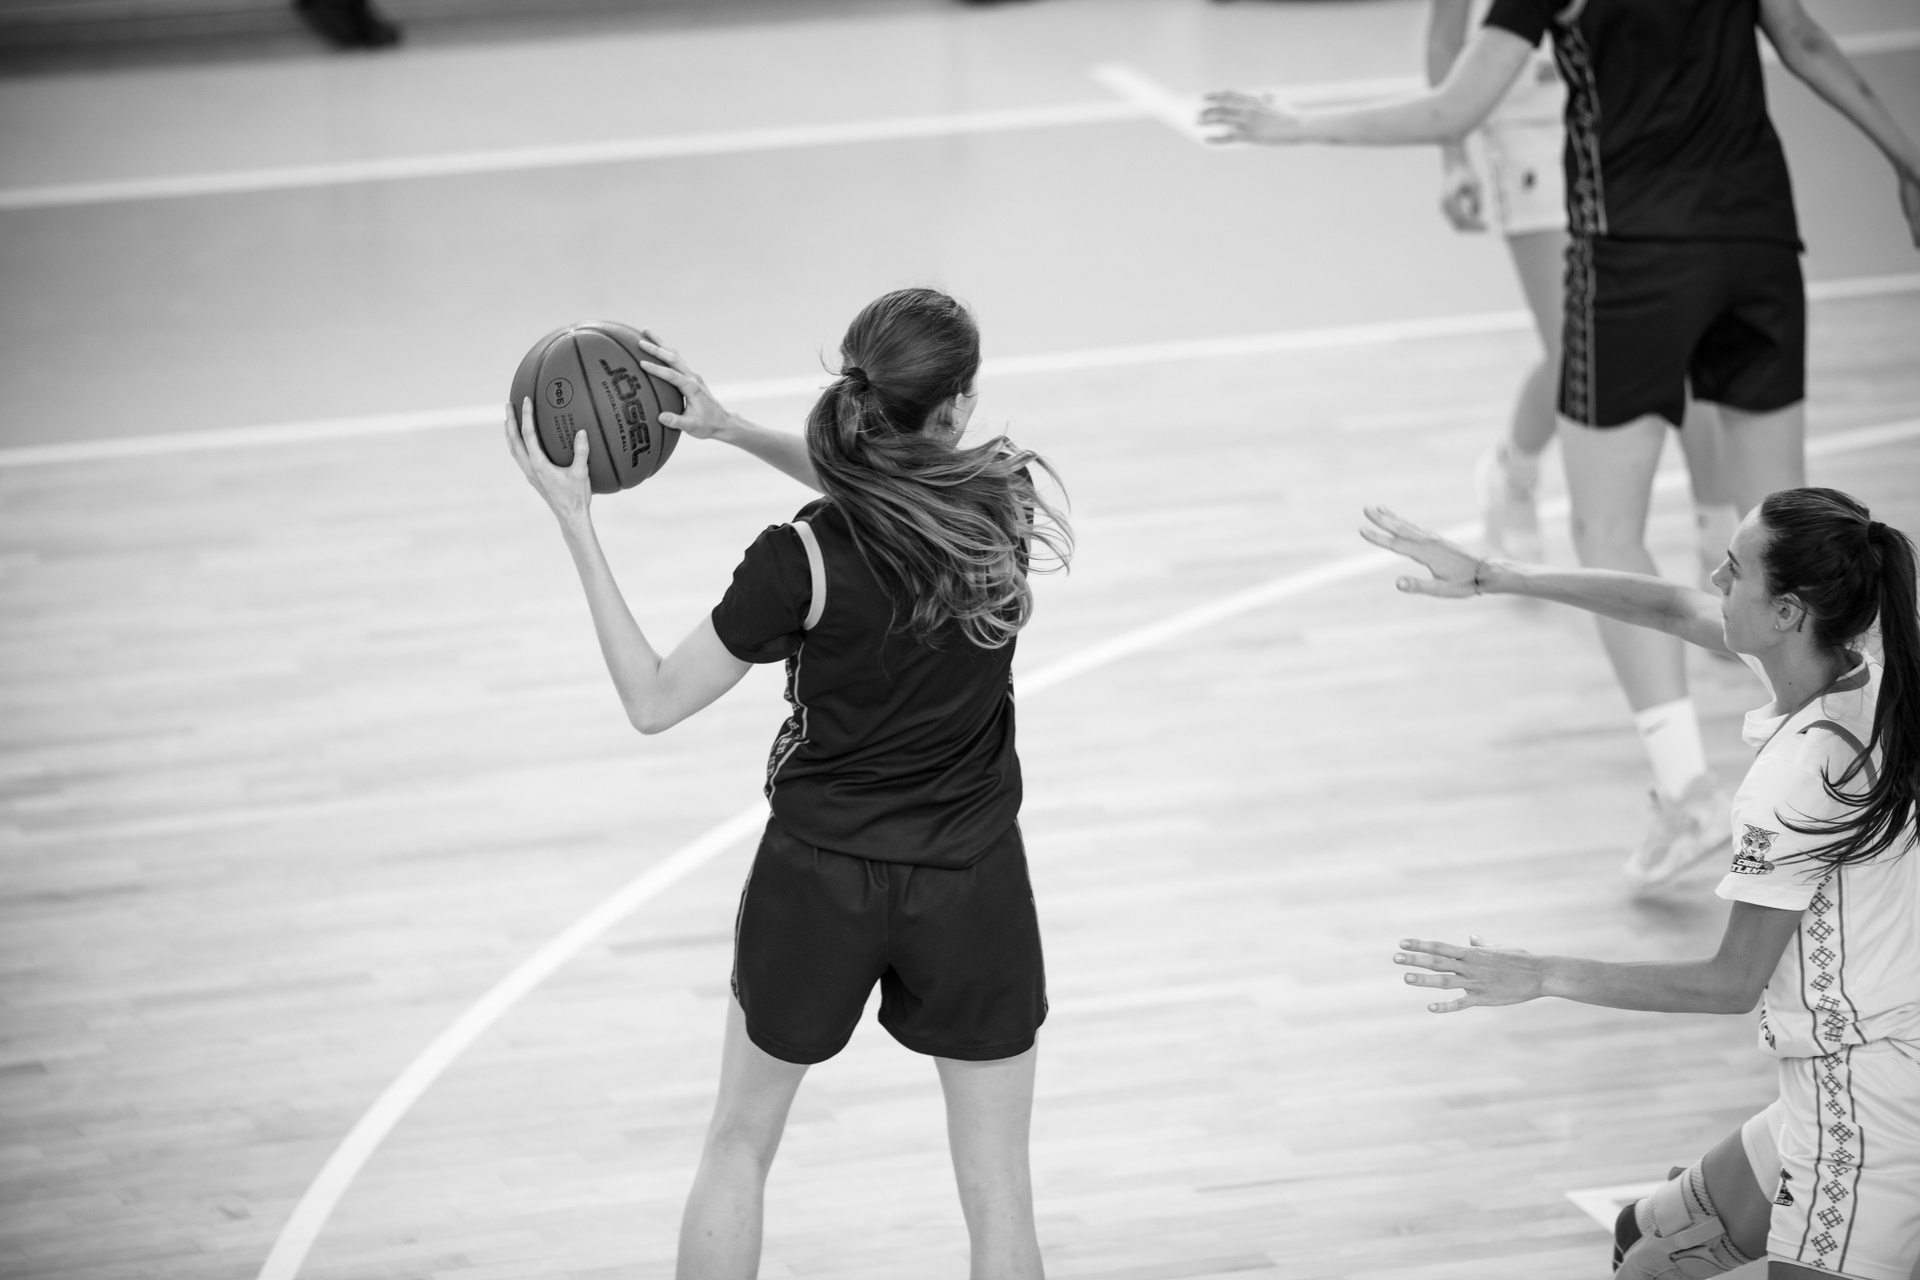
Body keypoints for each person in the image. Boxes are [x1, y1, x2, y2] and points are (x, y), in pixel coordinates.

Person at [1201, 0, 1920, 890]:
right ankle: (1850, 775)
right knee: (1794, 539)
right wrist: (1908, 159)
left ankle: (1686, 791)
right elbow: (1804, 41)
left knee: (1607, 528)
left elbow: (1457, 104)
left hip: (1633, 256)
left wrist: (1296, 125)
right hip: (1758, 243)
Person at [503, 288, 1070, 1280]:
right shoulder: (1002, 503)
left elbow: (651, 701)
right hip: (971, 882)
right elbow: (903, 492)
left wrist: (577, 522)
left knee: (739, 1143)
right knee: (999, 1192)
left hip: (819, 882)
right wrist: (727, 428)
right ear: (955, 408)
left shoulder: (797, 560)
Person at [1361, 492, 1919, 1280]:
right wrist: (1489, 573)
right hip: (1866, 1059)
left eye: (1734, 571)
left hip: (1868, 1104)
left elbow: (1731, 984)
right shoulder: (1871, 678)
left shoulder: (1800, 778)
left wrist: (1542, 974)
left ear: (1788, 612)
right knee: (1643, 1240)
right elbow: (1670, 607)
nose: (1713, 579)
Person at [1425, 0, 1737, 580]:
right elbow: (1445, 41)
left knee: (1688, 345)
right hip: (1528, 131)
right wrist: (1453, 160)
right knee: (1575, 347)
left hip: (1625, 122)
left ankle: (1721, 545)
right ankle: (1512, 474)